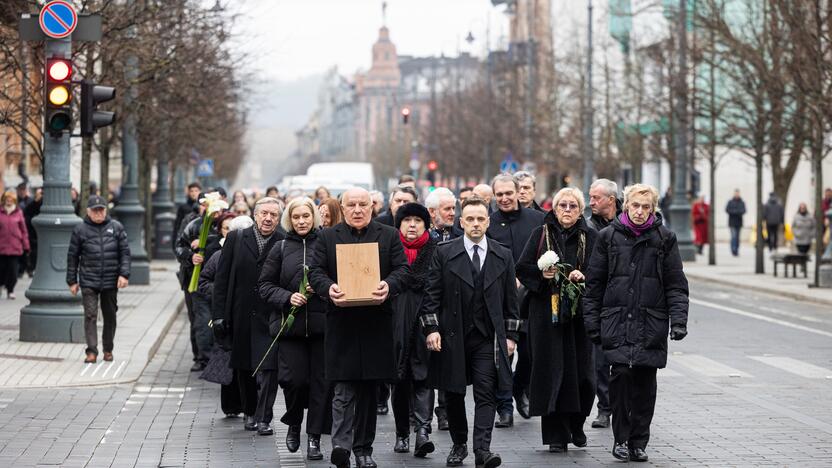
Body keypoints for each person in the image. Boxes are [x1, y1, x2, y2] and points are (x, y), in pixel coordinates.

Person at [584, 183, 689, 463]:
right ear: (626, 205)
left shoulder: (665, 239)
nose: (640, 212)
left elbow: (676, 284)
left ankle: (639, 441)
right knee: (619, 381)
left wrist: (678, 321)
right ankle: (620, 439)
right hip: (616, 322)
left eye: (646, 207)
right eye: (635, 206)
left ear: (653, 209)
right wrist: (593, 323)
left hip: (650, 323)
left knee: (644, 385)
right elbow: (593, 285)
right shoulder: (607, 237)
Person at [308, 187, 409, 468]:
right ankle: (341, 445)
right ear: (342, 207)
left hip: (376, 324)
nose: (357, 210)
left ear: (371, 207)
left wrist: (388, 285)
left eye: (363, 204)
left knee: (368, 392)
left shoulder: (388, 235)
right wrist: (330, 288)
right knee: (342, 388)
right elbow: (315, 272)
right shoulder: (328, 236)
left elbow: (402, 270)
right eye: (351, 204)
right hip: (341, 323)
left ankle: (364, 449)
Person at [420, 196, 520, 468]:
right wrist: (431, 328)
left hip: (487, 337)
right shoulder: (444, 252)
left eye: (481, 219)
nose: (475, 224)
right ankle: (459, 444)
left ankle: (482, 449)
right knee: (453, 393)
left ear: (488, 222)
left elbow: (512, 301)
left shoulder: (503, 254)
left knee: (486, 392)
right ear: (461, 222)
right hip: (453, 335)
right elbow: (431, 295)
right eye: (470, 219)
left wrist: (511, 337)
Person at [516, 188, 597, 453]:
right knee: (551, 374)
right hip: (546, 316)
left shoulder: (590, 237)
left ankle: (577, 423)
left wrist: (581, 276)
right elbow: (523, 268)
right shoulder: (541, 234)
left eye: (573, 205)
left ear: (580, 210)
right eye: (562, 205)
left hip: (579, 317)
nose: (567, 210)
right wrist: (542, 278)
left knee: (584, 378)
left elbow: (600, 273)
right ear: (554, 208)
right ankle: (555, 436)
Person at [259, 197, 331, 460]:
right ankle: (294, 422)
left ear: (314, 217)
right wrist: (288, 297)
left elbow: (337, 280)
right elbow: (265, 285)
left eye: (306, 216)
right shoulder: (279, 248)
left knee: (320, 385)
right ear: (290, 219)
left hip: (322, 329)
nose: (302, 221)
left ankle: (313, 438)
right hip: (290, 329)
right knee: (293, 381)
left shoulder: (326, 244)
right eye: (297, 217)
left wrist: (321, 287)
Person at [212, 197, 285, 434]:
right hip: (241, 312)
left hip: (270, 313)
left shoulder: (284, 240)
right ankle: (250, 412)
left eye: (273, 214)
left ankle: (264, 417)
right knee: (244, 367)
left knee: (269, 368)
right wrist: (220, 314)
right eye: (264, 213)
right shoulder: (237, 238)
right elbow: (222, 278)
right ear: (255, 215)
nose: (268, 218)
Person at [487, 173, 544, 427]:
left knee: (530, 353)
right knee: (502, 354)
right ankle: (504, 407)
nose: (505, 198)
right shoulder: (488, 222)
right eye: (499, 194)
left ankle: (521, 389)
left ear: (518, 191)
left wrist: (525, 277)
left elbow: (546, 254)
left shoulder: (537, 220)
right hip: (499, 299)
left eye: (509, 193)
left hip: (531, 297)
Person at [390, 203, 438, 458]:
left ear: (425, 224)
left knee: (423, 377)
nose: (412, 225)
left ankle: (422, 431)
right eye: (406, 220)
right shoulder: (390, 249)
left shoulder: (435, 251)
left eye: (417, 220)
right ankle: (401, 434)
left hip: (424, 324)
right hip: (394, 324)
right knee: (399, 381)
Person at [66, 195, 130, 363]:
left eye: (101, 210)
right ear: (88, 211)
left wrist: (124, 275)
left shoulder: (116, 228)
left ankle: (108, 349)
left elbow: (125, 253)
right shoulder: (80, 230)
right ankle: (91, 351)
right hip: (89, 280)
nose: (98, 213)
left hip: (111, 279)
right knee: (90, 315)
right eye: (95, 210)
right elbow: (72, 256)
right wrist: (72, 281)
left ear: (105, 210)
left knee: (110, 316)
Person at [199, 212, 245, 418]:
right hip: (226, 316)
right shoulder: (219, 255)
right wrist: (221, 293)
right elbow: (204, 281)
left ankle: (249, 405)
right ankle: (232, 405)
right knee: (229, 362)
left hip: (247, 318)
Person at [585, 179, 621, 429]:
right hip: (600, 300)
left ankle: (621, 406)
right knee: (600, 361)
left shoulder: (628, 223)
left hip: (624, 299)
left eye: (596, 198)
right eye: (590, 197)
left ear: (611, 199)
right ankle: (604, 408)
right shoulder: (589, 227)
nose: (591, 202)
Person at [176, 194, 224, 372]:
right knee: (200, 320)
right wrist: (190, 256)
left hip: (219, 282)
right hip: (195, 281)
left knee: (216, 320)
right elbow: (179, 246)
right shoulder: (194, 226)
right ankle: (201, 357)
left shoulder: (225, 224)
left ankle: (216, 356)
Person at [0, 192, 29, 299]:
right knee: (2, 269)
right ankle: (1, 284)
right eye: (7, 199)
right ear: (3, 200)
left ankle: (10, 290)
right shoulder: (0, 212)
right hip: (1, 247)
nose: (9, 201)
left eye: (11, 199)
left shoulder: (19, 213)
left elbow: (24, 230)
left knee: (13, 271)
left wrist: (26, 245)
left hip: (15, 246)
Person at [22, 187, 42, 277]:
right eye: (39, 194)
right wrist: (35, 201)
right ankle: (31, 268)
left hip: (42, 233)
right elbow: (26, 213)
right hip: (33, 233)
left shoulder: (46, 204)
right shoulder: (32, 204)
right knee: (33, 252)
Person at [725, 190, 746, 257]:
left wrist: (735, 212)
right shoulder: (730, 202)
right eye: (736, 193)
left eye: (738, 193)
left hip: (739, 222)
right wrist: (736, 212)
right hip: (732, 222)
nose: (737, 194)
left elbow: (743, 210)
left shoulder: (742, 202)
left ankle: (736, 250)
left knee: (737, 237)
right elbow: (727, 210)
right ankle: (733, 250)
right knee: (733, 236)